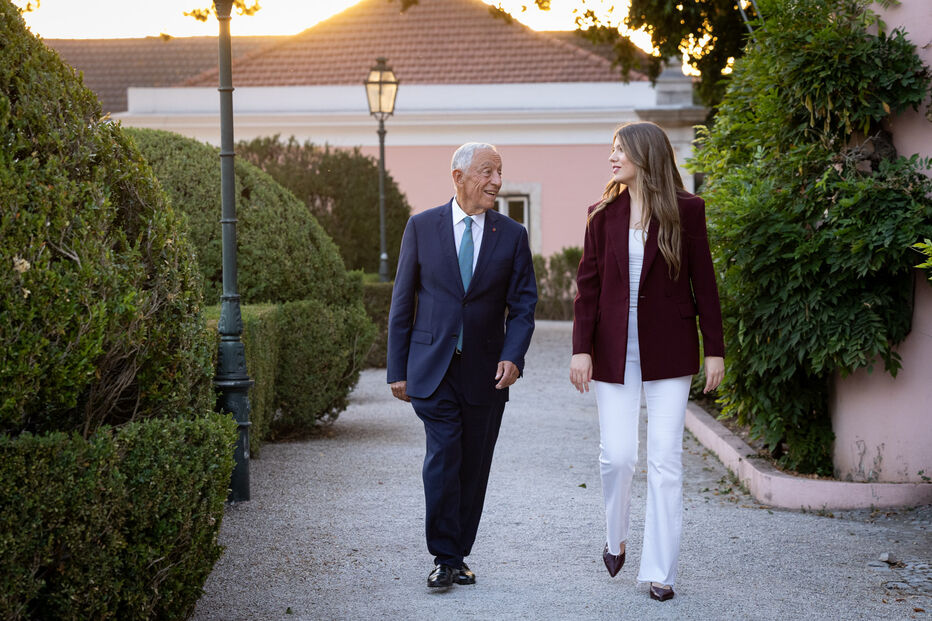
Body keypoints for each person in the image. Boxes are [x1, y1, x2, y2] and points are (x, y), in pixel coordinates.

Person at [569, 121, 725, 602]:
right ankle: (614, 536)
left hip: (670, 349)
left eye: (620, 150)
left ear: (645, 154)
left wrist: (714, 349)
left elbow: (705, 284)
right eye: (611, 149)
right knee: (617, 456)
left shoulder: (687, 211)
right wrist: (581, 348)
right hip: (614, 352)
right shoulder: (602, 214)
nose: (612, 157)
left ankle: (661, 571)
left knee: (665, 460)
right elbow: (588, 289)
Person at [387, 142, 537, 589]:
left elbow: (524, 305)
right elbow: (402, 302)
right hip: (432, 368)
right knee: (444, 455)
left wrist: (513, 355)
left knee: (474, 464)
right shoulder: (421, 227)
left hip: (487, 372)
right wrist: (397, 369)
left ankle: (457, 552)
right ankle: (444, 556)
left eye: (500, 172)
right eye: (487, 172)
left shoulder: (512, 235)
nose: (496, 181)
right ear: (458, 176)